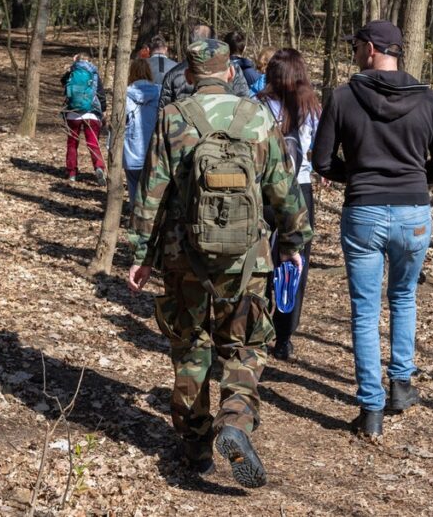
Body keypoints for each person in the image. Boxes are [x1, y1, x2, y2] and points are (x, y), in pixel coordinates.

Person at [128, 39, 312, 488]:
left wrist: (141, 255)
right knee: (244, 345)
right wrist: (293, 241)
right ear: (230, 72)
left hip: (182, 257)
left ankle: (195, 446)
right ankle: (235, 421)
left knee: (190, 347)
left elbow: (152, 192)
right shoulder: (257, 117)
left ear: (189, 76)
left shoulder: (173, 118)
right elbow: (282, 189)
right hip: (247, 259)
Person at [312, 20, 433, 438]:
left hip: (364, 212)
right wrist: (409, 178)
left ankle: (371, 409)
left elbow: (321, 161)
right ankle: (400, 385)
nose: (353, 51)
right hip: (413, 214)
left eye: (356, 45)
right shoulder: (429, 100)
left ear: (372, 48)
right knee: (404, 297)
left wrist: (359, 174)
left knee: (365, 309)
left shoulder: (342, 97)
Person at [256, 48, 321, 360]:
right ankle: (285, 336)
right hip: (300, 190)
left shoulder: (259, 106)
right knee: (295, 263)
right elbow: (318, 150)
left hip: (264, 191)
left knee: (259, 259)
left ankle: (257, 325)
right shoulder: (311, 107)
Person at [158, 23, 251, 107]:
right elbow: (245, 104)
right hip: (226, 123)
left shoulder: (173, 74)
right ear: (214, 42)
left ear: (191, 42)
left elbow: (163, 115)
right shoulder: (231, 69)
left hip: (186, 124)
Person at [62, 54, 108, 185]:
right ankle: (99, 167)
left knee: (72, 143)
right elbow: (101, 94)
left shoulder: (72, 72)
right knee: (93, 143)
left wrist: (71, 67)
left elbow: (64, 85)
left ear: (77, 60)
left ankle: (71, 172)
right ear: (89, 61)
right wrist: (103, 111)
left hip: (73, 113)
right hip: (91, 113)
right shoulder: (94, 74)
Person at [124, 57, 161, 206]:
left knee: (133, 187)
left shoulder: (124, 94)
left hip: (130, 150)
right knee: (151, 190)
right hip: (153, 150)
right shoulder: (159, 91)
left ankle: (134, 219)